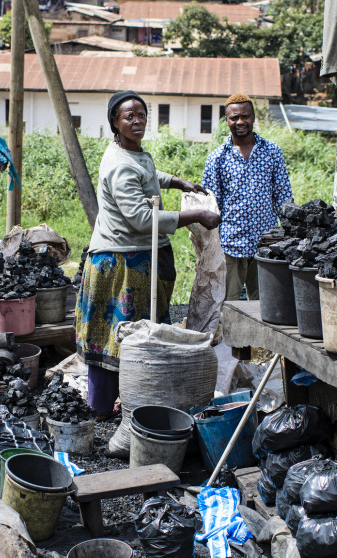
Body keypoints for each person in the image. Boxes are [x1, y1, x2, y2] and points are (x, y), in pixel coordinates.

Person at [75, 90, 221, 420]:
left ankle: (140, 396)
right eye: (129, 116)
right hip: (121, 262)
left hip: (140, 257)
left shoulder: (133, 152)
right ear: (115, 121)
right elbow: (141, 218)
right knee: (115, 334)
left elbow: (148, 176)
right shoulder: (118, 165)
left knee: (144, 334)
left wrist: (177, 183)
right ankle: (103, 406)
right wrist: (196, 216)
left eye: (142, 114)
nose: (138, 121)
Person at [202, 94, 293, 301]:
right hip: (231, 243)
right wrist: (209, 248)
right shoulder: (217, 158)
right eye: (234, 117)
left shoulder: (271, 151)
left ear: (253, 117)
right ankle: (228, 335)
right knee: (228, 303)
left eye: (245, 116)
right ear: (227, 121)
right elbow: (211, 207)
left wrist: (288, 235)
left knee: (266, 302)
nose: (240, 122)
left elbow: (283, 196)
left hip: (267, 243)